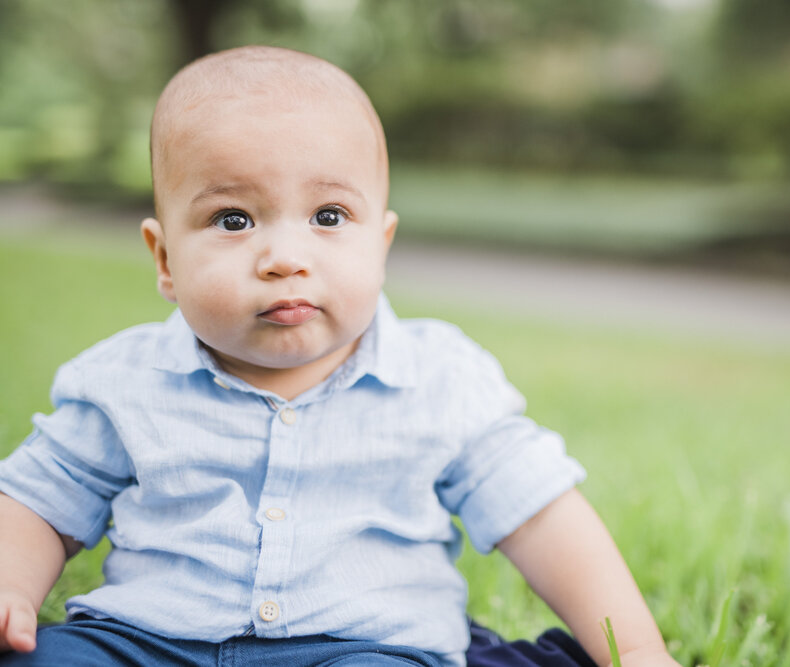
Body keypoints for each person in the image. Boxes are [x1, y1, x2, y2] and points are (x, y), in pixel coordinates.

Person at [0, 46, 680, 667]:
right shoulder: (125, 381)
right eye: (233, 219)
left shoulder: (440, 379)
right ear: (164, 258)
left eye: (328, 216)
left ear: (380, 244)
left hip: (365, 645)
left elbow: (542, 517)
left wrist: (640, 653)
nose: (286, 259)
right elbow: (37, 501)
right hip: (146, 643)